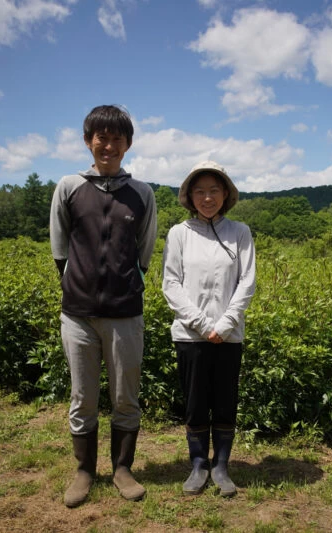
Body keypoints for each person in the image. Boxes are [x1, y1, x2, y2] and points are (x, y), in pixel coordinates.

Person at [50, 105, 157, 507]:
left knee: (126, 396)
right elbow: (59, 247)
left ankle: (123, 469)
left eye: (116, 139)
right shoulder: (69, 186)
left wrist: (128, 284)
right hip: (77, 314)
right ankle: (84, 470)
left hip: (126, 314)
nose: (108, 145)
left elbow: (145, 252)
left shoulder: (141, 192)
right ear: (88, 141)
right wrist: (77, 285)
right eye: (101, 137)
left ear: (127, 145)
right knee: (83, 397)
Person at [161, 161, 256, 497]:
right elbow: (171, 284)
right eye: (199, 191)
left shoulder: (240, 232)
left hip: (229, 336)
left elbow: (247, 282)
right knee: (196, 401)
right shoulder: (179, 234)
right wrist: (202, 324)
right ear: (189, 196)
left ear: (225, 194)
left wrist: (226, 323)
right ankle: (199, 464)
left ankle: (222, 466)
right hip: (191, 335)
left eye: (214, 190)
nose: (207, 197)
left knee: (225, 400)